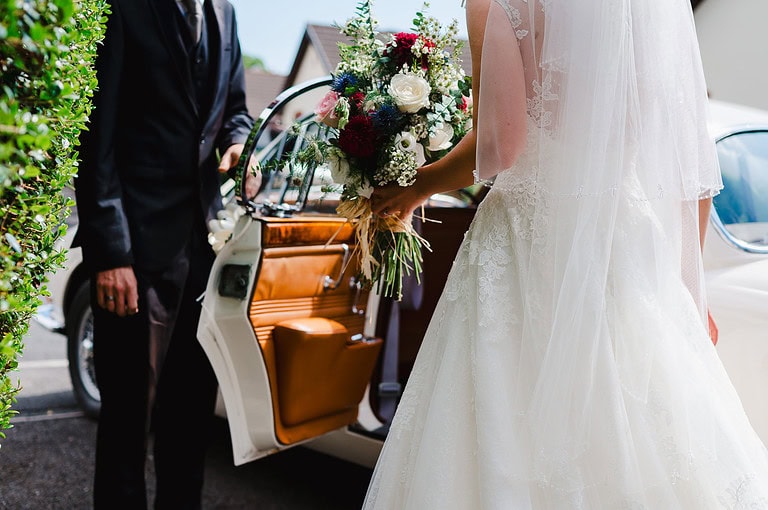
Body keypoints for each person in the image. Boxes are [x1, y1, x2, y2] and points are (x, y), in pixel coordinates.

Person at [364, 0, 768, 507]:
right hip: (626, 249)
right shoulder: (648, 9)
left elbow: (499, 145)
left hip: (525, 244)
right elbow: (690, 168)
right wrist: (690, 294)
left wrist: (415, 188)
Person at [74, 0, 258, 507]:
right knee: (127, 425)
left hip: (202, 251)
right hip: (132, 248)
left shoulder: (225, 10)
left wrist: (239, 142)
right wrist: (111, 252)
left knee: (189, 422)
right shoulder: (121, 7)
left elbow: (235, 109)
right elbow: (95, 135)